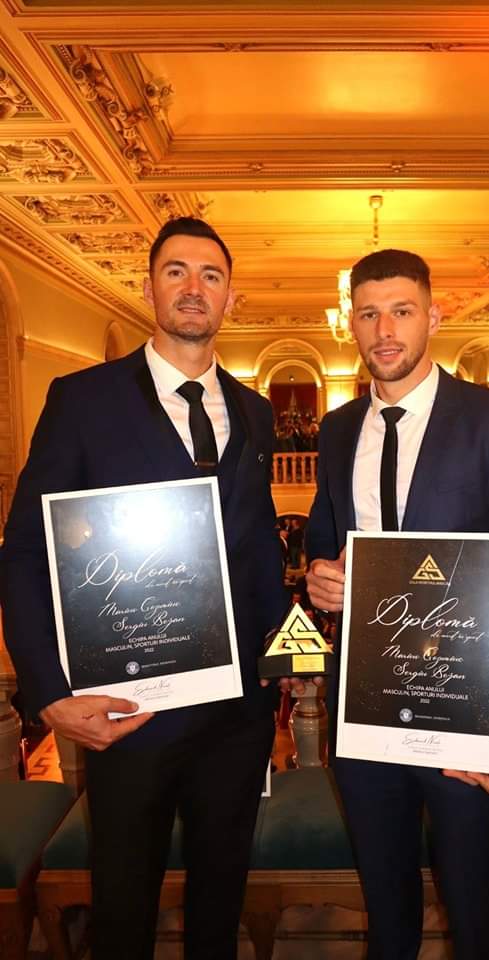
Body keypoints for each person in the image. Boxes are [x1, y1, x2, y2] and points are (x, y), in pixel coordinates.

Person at [0, 216, 287, 960]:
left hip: (238, 712)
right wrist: (48, 692)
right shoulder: (81, 399)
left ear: (230, 297)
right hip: (129, 708)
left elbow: (258, 545)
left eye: (211, 275)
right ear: (149, 287)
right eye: (176, 271)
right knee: (123, 907)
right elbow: (25, 551)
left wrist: (284, 652)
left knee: (220, 902)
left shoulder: (254, 412)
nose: (194, 288)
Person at [302, 249, 489, 960]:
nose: (384, 330)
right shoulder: (337, 430)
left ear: (434, 316)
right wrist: (321, 577)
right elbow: (325, 543)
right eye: (368, 314)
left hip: (466, 706)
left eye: (402, 310)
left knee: (476, 903)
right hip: (364, 706)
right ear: (350, 324)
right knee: (386, 904)